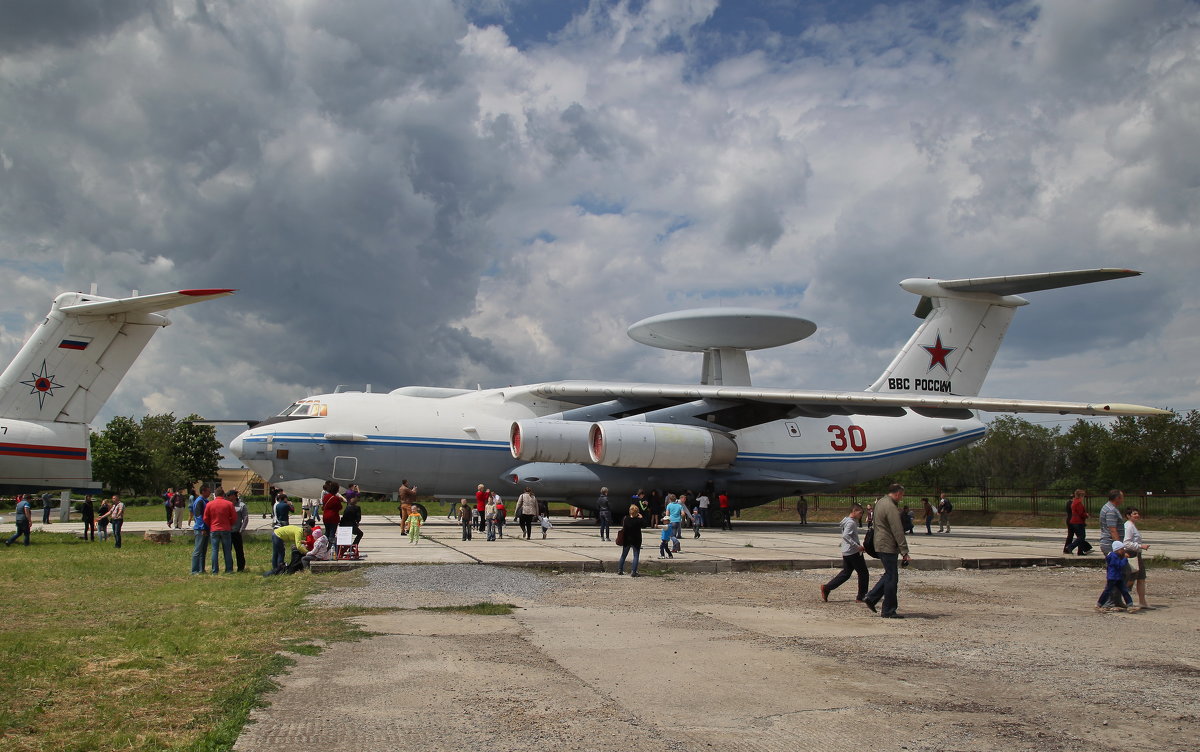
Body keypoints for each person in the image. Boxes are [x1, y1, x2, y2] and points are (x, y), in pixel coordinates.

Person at [861, 484, 910, 619]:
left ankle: (871, 597)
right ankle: (888, 610)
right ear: (898, 493)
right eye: (902, 494)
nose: (902, 497)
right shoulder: (891, 507)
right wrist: (904, 550)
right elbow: (897, 529)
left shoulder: (881, 502)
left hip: (880, 543)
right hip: (888, 545)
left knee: (889, 574)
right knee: (892, 578)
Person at [821, 503, 869, 603]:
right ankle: (861, 597)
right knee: (863, 573)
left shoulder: (846, 521)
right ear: (854, 511)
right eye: (860, 513)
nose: (861, 515)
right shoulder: (851, 523)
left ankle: (827, 587)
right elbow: (846, 536)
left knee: (846, 573)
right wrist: (857, 546)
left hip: (847, 551)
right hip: (853, 552)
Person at [1123, 507, 1150, 611]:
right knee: (1130, 578)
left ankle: (1142, 602)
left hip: (1137, 554)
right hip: (1131, 554)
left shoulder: (1132, 526)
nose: (1137, 515)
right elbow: (1126, 543)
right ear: (1128, 515)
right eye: (1134, 514)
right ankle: (1119, 597)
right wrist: (1140, 546)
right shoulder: (1128, 526)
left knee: (1141, 578)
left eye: (1137, 513)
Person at [204, 489, 237, 574]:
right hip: (226, 528)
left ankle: (215, 570)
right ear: (224, 495)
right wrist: (229, 524)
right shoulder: (229, 504)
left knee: (215, 550)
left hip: (214, 529)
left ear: (215, 494)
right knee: (227, 550)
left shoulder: (209, 504)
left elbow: (205, 518)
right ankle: (229, 569)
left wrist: (210, 525)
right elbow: (234, 517)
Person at [1097, 541, 1133, 611]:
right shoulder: (1113, 556)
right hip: (1113, 577)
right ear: (1118, 550)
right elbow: (1119, 565)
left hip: (1118, 577)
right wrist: (1125, 559)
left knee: (1124, 590)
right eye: (1122, 549)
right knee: (1107, 591)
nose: (1123, 551)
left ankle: (1130, 605)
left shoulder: (1115, 556)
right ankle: (1099, 604)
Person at [190, 486, 211, 574]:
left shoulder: (205, 501)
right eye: (208, 491)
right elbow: (198, 516)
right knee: (198, 550)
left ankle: (201, 569)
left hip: (206, 528)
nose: (210, 493)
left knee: (203, 550)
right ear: (203, 491)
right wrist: (202, 527)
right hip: (200, 529)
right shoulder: (199, 501)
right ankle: (194, 570)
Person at [618, 505, 643, 576]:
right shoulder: (638, 520)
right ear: (637, 512)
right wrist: (641, 518)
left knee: (623, 555)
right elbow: (645, 524)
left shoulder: (626, 519)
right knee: (636, 556)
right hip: (636, 540)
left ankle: (620, 569)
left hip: (627, 539)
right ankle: (633, 571)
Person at [1064, 489, 1091, 555]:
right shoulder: (1078, 503)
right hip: (1078, 521)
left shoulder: (1074, 501)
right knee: (1081, 537)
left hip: (1073, 521)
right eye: (1083, 496)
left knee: (1080, 537)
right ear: (1081, 496)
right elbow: (1081, 513)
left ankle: (1080, 551)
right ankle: (1070, 547)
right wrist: (1086, 515)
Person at [1098, 490, 1124, 556]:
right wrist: (1119, 547)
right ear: (1117, 498)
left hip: (1109, 543)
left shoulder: (1108, 507)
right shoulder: (1111, 510)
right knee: (1122, 565)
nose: (1123, 499)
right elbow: (1113, 530)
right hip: (1110, 544)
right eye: (1122, 497)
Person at [230, 490, 250, 572]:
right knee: (228, 551)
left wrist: (241, 530)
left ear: (234, 496)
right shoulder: (228, 504)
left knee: (239, 551)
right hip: (228, 531)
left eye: (230, 495)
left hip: (237, 531)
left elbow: (245, 518)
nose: (228, 497)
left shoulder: (241, 505)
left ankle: (241, 567)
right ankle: (229, 567)